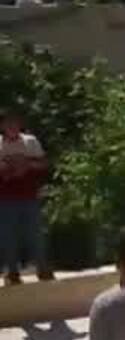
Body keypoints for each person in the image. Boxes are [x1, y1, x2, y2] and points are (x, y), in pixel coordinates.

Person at [0, 108, 52, 283]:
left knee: (35, 234)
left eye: (15, 122)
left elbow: (44, 164)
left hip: (29, 196)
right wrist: (7, 169)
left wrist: (27, 164)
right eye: (8, 123)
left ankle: (42, 269)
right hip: (5, 198)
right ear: (2, 126)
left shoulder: (30, 142)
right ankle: (12, 272)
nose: (12, 126)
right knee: (8, 236)